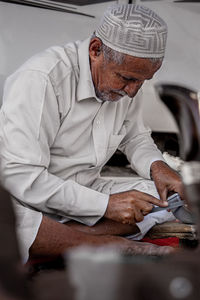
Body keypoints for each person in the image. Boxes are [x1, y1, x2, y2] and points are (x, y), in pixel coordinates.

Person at [0, 4, 183, 263]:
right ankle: (103, 244)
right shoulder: (42, 78)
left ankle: (60, 241)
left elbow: (135, 137)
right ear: (96, 49)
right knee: (9, 222)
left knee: (163, 198)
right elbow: (22, 178)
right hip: (27, 200)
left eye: (142, 82)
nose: (132, 91)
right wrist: (105, 206)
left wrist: (158, 167)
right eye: (127, 79)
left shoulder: (128, 83)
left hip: (85, 192)